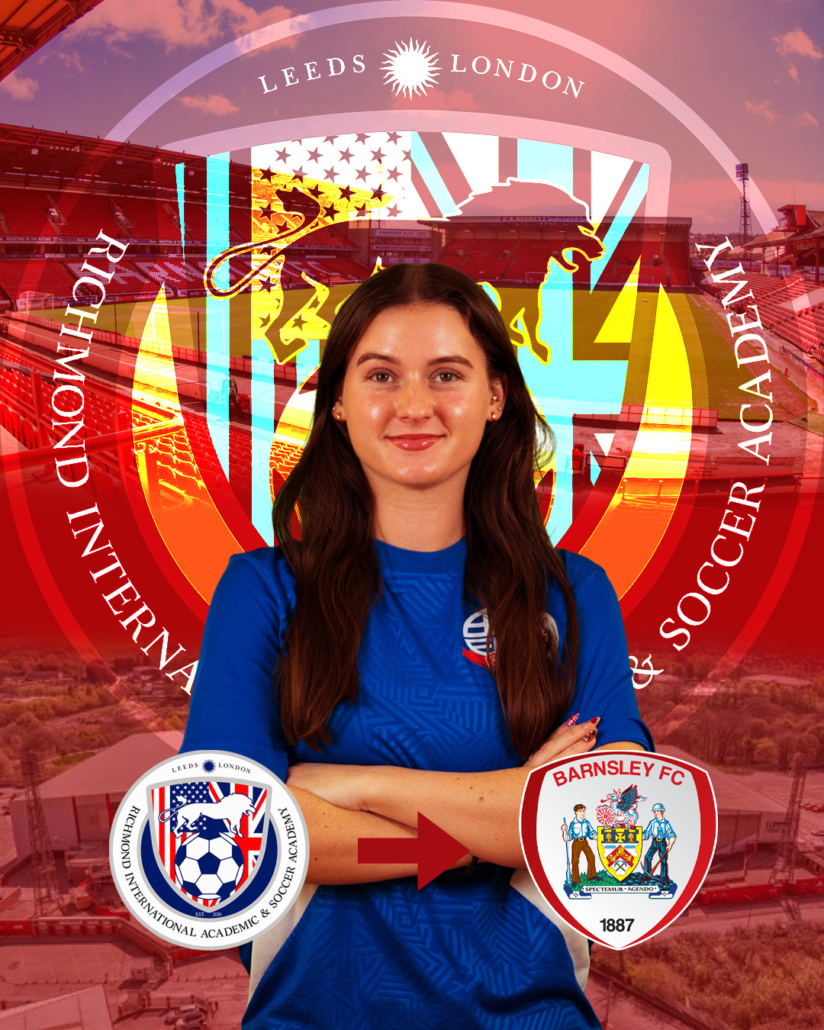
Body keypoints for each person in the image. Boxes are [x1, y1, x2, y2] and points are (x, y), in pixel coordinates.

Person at [181, 262, 653, 1029]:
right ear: (336, 401)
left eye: (446, 374)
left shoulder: (572, 595)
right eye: (380, 375)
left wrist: (355, 787)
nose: (413, 406)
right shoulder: (263, 592)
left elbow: (608, 839)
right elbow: (233, 842)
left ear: (495, 396)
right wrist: (489, 837)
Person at [643, 802, 677, 889]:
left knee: (663, 860)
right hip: (654, 842)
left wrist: (670, 844)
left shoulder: (666, 824)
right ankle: (647, 875)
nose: (655, 813)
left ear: (662, 812)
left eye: (657, 811)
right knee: (647, 856)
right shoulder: (652, 823)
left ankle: (664, 878)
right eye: (654, 811)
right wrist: (641, 837)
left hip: (662, 843)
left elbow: (672, 835)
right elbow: (647, 833)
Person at [562, 804, 598, 885]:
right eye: (580, 811)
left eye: (583, 811)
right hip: (576, 843)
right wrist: (564, 831)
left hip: (585, 842)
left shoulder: (587, 822)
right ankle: (575, 880)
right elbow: (568, 837)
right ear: (576, 812)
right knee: (575, 861)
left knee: (591, 856)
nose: (582, 813)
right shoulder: (573, 823)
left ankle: (591, 876)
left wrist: (597, 837)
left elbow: (591, 832)